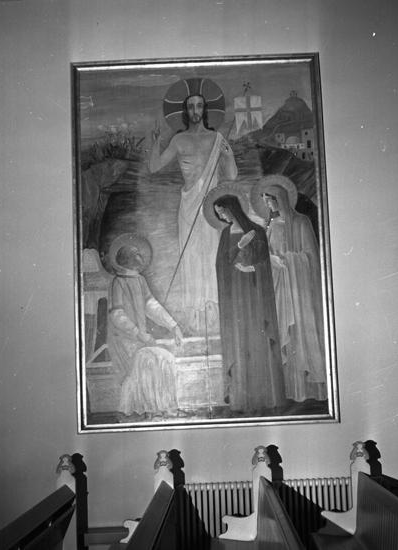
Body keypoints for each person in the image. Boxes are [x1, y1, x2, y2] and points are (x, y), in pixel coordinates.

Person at [148, 94, 238, 334]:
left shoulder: (217, 138)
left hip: (210, 206)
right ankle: (194, 318)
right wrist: (156, 141)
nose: (195, 109)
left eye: (199, 105)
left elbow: (231, 176)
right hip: (188, 206)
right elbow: (154, 167)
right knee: (190, 259)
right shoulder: (179, 140)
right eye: (190, 106)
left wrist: (229, 156)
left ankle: (213, 316)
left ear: (205, 109)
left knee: (210, 257)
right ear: (185, 111)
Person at [209, 191, 286, 414]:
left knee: (257, 338)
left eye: (222, 211)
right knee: (240, 340)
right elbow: (221, 265)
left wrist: (252, 268)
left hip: (254, 295)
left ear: (232, 208)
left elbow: (265, 264)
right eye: (218, 213)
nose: (221, 216)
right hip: (235, 297)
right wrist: (240, 246)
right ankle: (242, 400)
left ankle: (266, 398)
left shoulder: (258, 231)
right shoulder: (226, 234)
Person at [256, 176, 327, 402]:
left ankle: (304, 390)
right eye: (265, 200)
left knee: (299, 334)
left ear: (280, 199)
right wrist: (271, 261)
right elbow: (266, 253)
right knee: (281, 333)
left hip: (298, 290)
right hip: (279, 286)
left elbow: (310, 257)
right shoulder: (272, 225)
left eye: (270, 199)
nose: (268, 204)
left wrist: (286, 259)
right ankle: (286, 391)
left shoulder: (301, 222)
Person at [107, 234, 185, 420]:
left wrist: (173, 326)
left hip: (141, 338)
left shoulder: (140, 280)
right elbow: (117, 315)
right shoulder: (118, 282)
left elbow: (152, 306)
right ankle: (141, 409)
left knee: (165, 358)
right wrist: (139, 334)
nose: (141, 257)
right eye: (137, 255)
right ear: (128, 259)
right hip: (124, 340)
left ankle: (164, 407)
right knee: (148, 361)